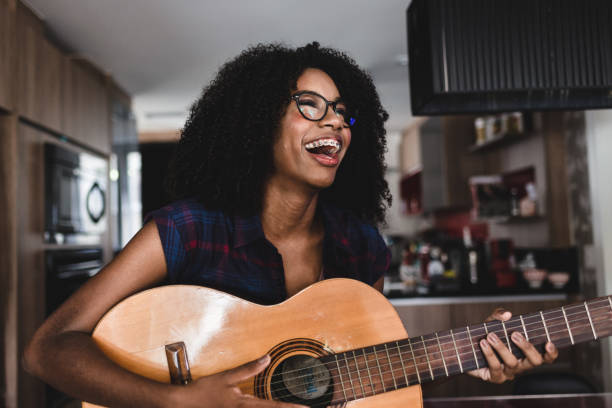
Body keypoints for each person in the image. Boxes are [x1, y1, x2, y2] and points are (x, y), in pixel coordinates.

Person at [23, 42, 558, 408]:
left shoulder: (360, 247)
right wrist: (179, 400)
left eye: (343, 113)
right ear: (258, 122)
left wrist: (472, 359)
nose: (333, 121)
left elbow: (353, 378)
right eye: (310, 105)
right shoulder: (187, 230)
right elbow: (48, 348)